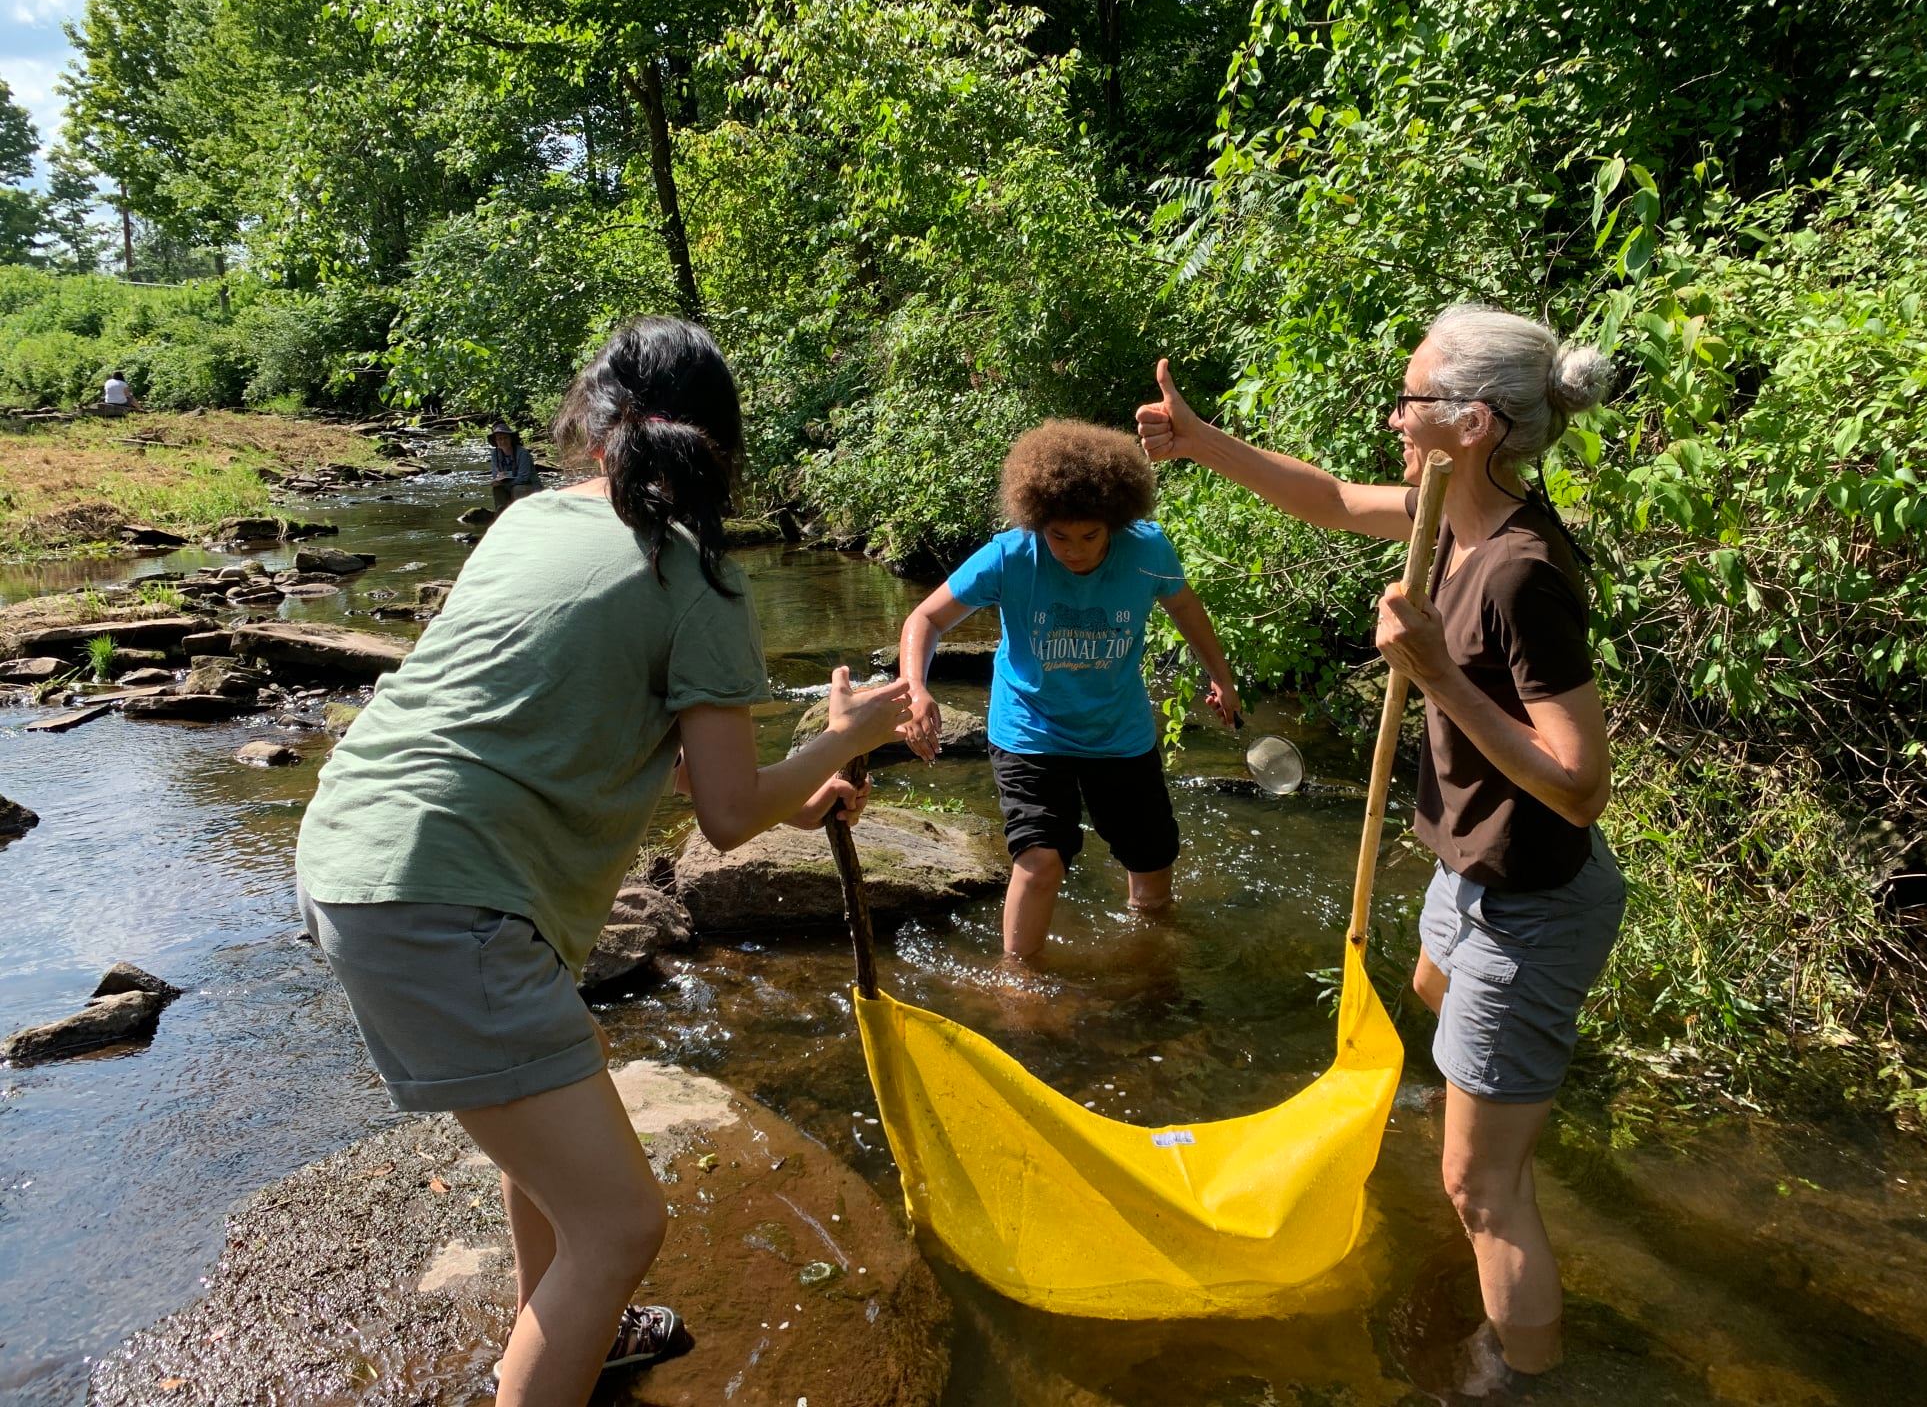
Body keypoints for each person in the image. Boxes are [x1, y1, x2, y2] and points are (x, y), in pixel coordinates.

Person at [294, 317, 911, 1407]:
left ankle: (587, 1330)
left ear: (594, 435)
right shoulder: (702, 582)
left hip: (356, 845)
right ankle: (560, 1339)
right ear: (722, 450)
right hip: (447, 897)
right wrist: (849, 734)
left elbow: (646, 755)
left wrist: (803, 789)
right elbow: (724, 815)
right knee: (623, 1224)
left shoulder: (527, 520)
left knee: (558, 1119)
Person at [1138, 306, 1621, 1392]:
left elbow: (1582, 787)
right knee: (1425, 988)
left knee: (1481, 1194)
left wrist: (1439, 673)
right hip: (1474, 873)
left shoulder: (1519, 572)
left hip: (1534, 894)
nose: (1395, 418)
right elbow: (1327, 499)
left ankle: (1524, 1380)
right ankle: (1504, 1107)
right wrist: (1203, 440)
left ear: (1475, 422)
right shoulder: (1448, 515)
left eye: (1411, 399)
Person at [898, 418, 1240, 958]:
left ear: (1114, 523)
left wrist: (1221, 677)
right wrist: (915, 688)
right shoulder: (1010, 556)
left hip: (1119, 732)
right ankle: (1019, 984)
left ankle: (1148, 969)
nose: (1073, 551)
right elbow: (927, 619)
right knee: (1040, 861)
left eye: (1089, 535)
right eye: (1059, 536)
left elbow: (1185, 609)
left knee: (1150, 862)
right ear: (1038, 522)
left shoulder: (1146, 551)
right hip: (1030, 730)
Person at [489, 422, 541, 513]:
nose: (503, 441)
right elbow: (496, 475)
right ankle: (501, 513)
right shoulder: (495, 454)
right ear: (496, 442)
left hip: (530, 486)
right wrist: (497, 480)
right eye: (499, 439)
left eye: (505, 438)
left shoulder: (523, 453)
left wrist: (504, 481)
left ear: (511, 439)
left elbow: (523, 477)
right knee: (497, 488)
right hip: (509, 485)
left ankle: (521, 513)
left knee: (518, 488)